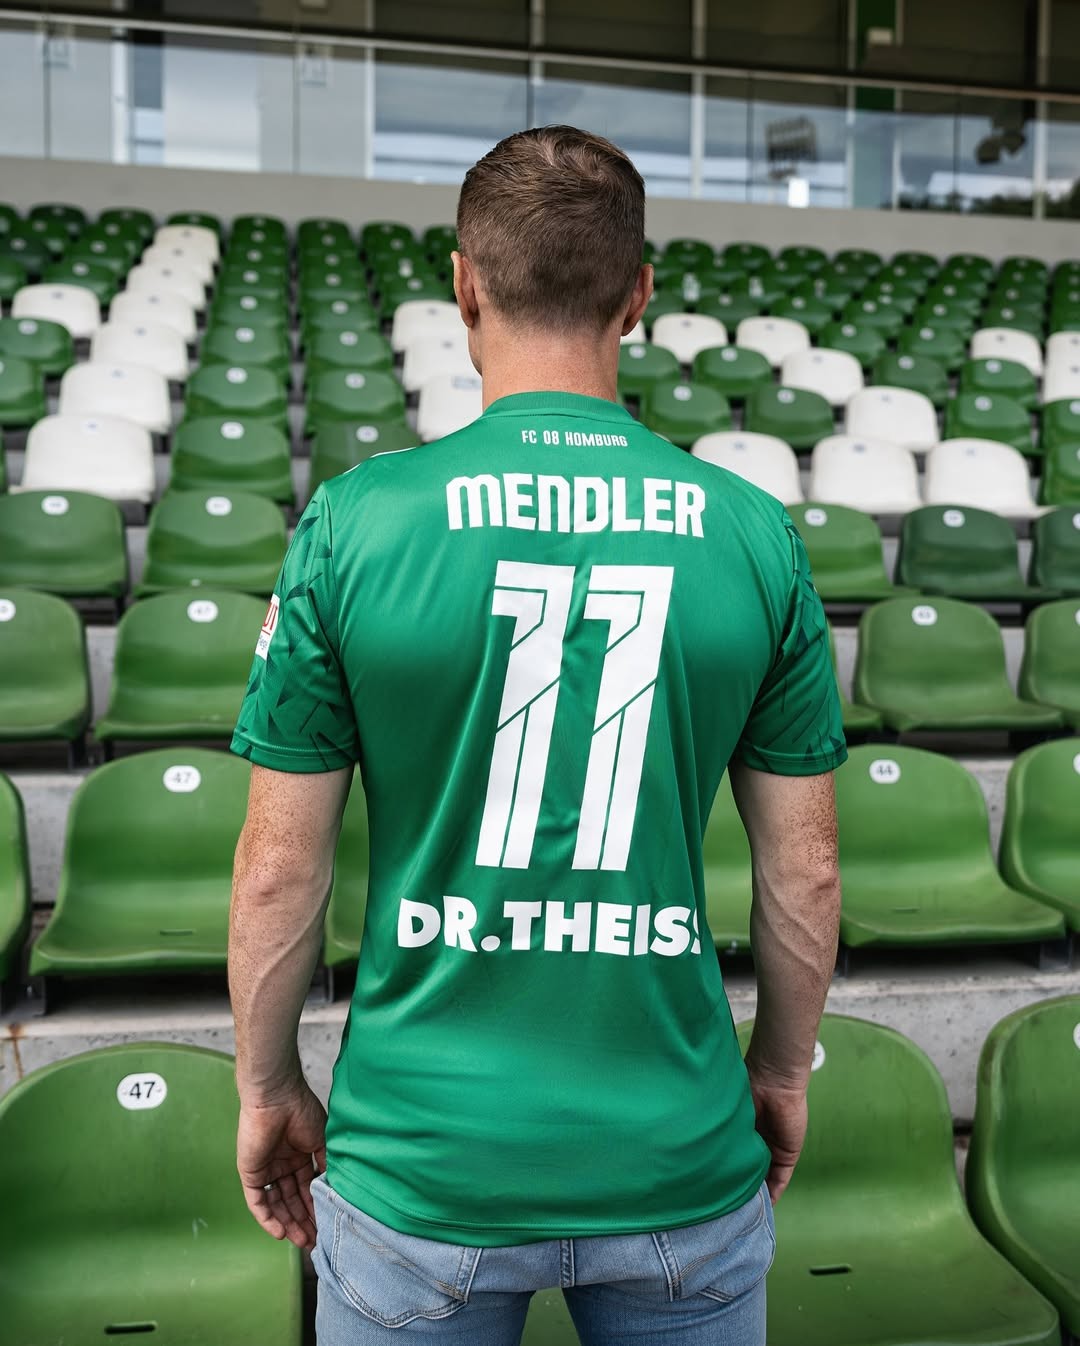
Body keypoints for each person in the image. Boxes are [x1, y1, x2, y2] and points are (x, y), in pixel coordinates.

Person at [228, 124, 845, 1346]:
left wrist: (267, 1082)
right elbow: (808, 869)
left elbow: (278, 869)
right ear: (638, 296)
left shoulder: (356, 523)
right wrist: (780, 1069)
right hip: (677, 1151)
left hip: (423, 1164)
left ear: (464, 283)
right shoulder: (754, 532)